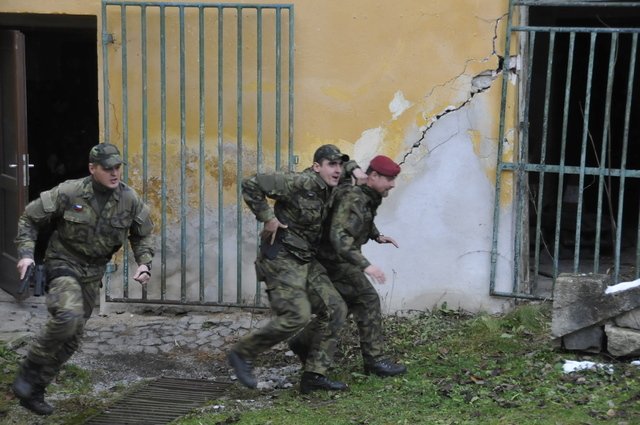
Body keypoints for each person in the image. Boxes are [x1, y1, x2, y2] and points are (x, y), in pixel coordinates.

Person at [12, 143, 155, 415]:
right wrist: (27, 255)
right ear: (93, 168)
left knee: (72, 339)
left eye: (117, 167)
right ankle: (30, 366)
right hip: (64, 262)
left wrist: (144, 263)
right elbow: (30, 218)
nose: (114, 173)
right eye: (107, 168)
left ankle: (36, 388)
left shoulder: (129, 199)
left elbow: (143, 233)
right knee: (68, 316)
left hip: (93, 273)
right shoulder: (70, 192)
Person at [229, 144, 364, 394]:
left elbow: (349, 167)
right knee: (297, 315)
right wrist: (268, 218)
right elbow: (251, 183)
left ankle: (313, 375)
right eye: (330, 165)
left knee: (336, 309)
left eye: (338, 165)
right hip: (281, 256)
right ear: (316, 167)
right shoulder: (299, 182)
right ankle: (242, 353)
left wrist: (354, 169)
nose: (336, 170)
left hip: (305, 258)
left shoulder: (331, 183)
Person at [291, 155, 407, 377]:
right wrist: (366, 265)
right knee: (366, 299)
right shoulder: (354, 197)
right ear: (373, 176)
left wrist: (376, 235)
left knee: (344, 306)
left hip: (335, 260)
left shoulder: (366, 195)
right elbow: (339, 236)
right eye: (389, 179)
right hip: (334, 261)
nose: (392, 184)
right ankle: (374, 361)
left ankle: (302, 343)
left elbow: (360, 219)